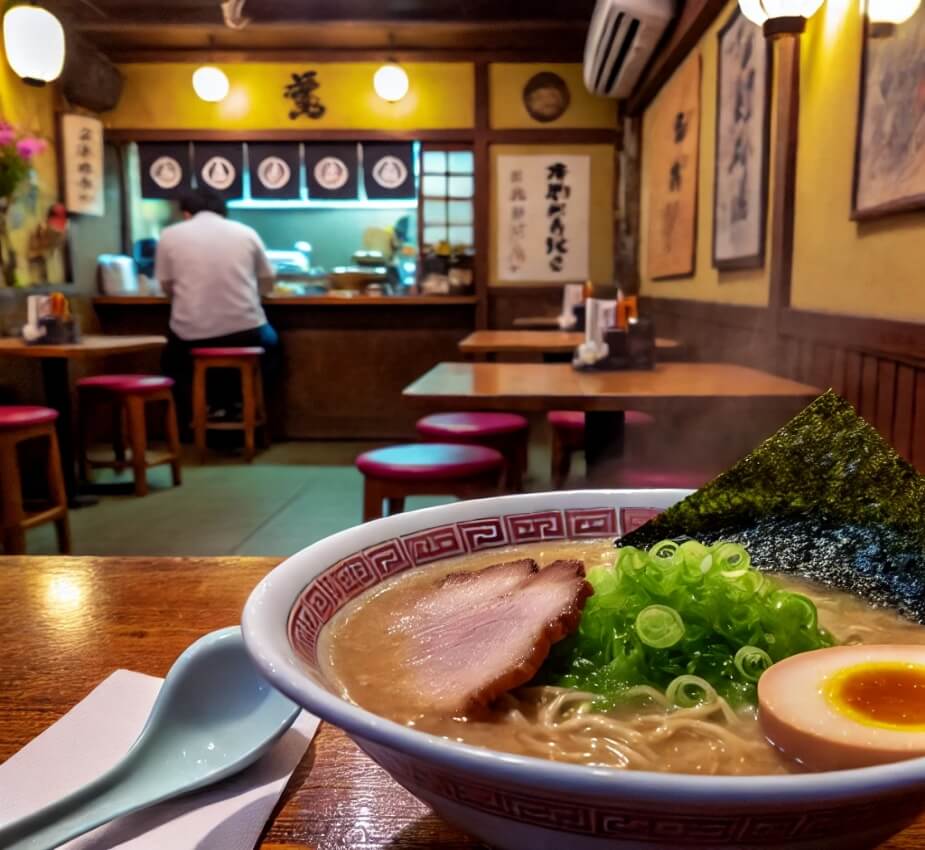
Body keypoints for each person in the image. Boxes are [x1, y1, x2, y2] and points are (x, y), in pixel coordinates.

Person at [156, 187, 280, 430]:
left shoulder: (169, 235)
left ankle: (201, 413)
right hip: (246, 332)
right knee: (272, 346)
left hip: (190, 337)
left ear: (187, 213)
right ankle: (243, 405)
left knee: (172, 359)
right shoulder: (246, 232)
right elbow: (267, 280)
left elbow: (166, 285)